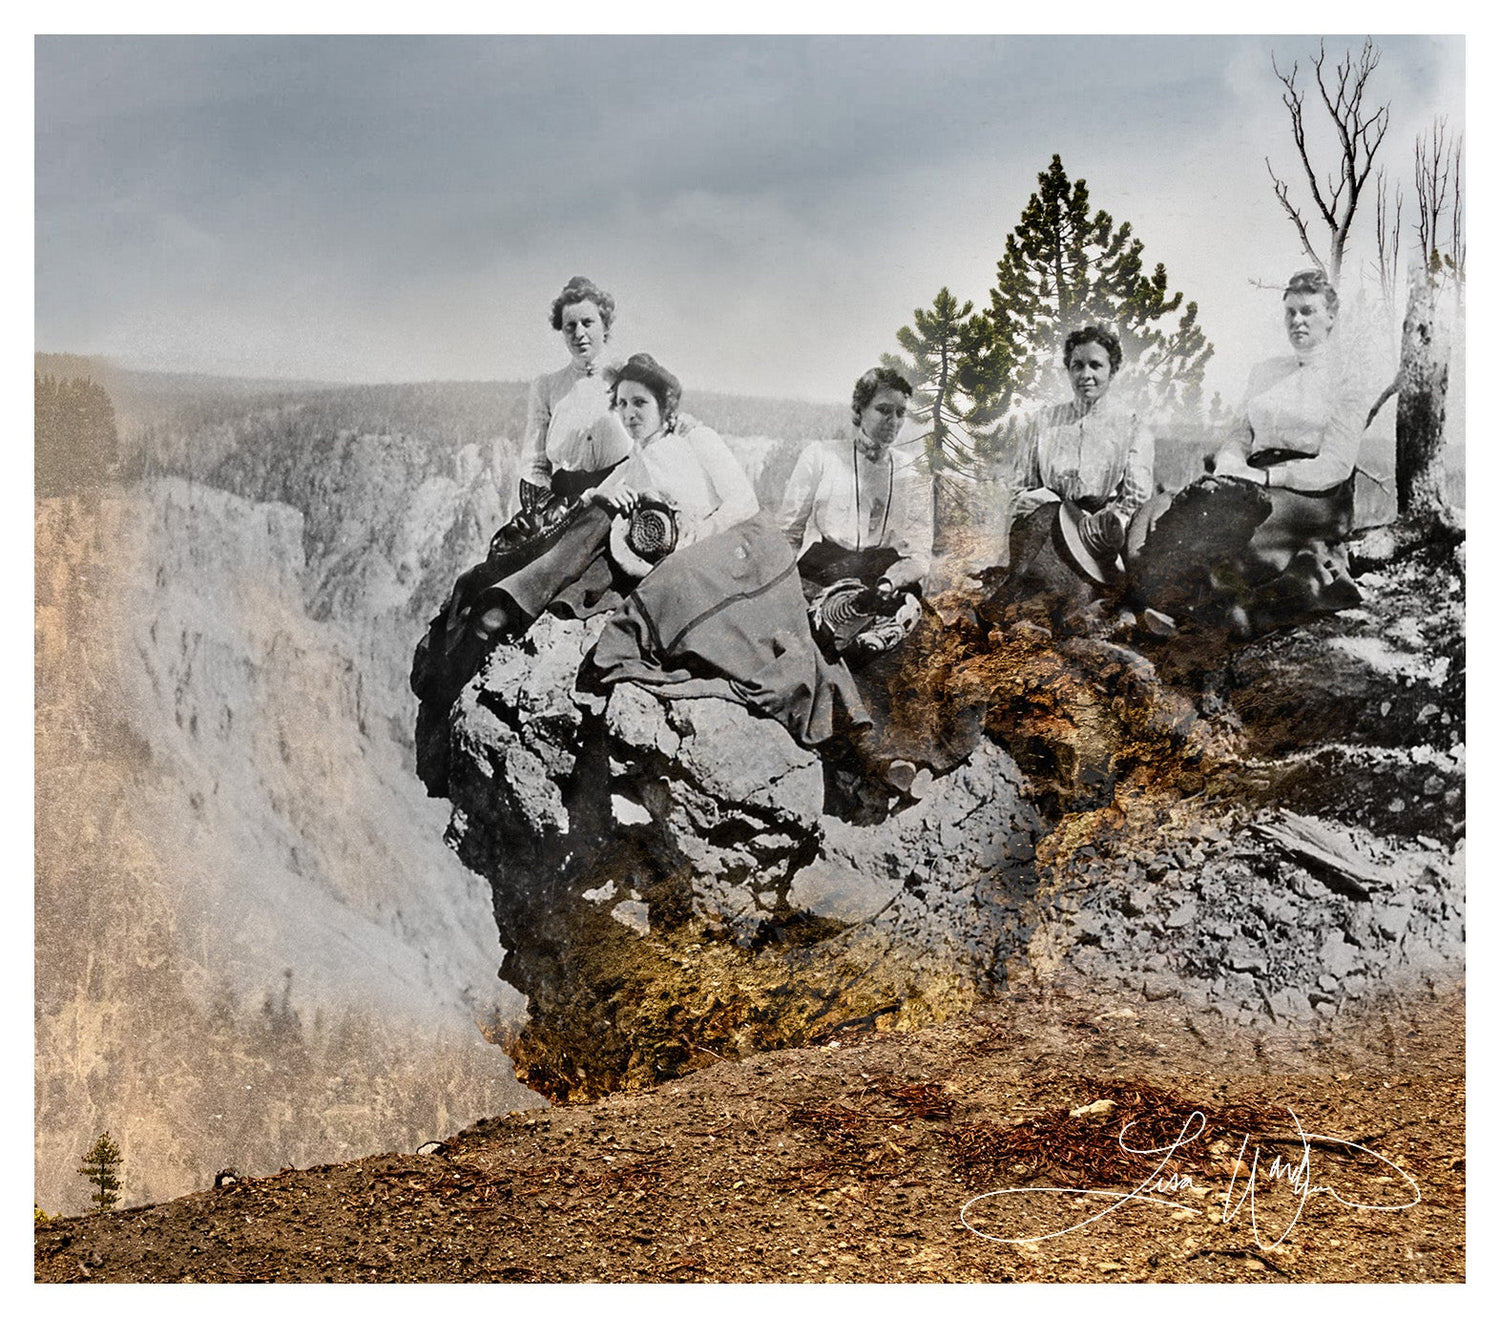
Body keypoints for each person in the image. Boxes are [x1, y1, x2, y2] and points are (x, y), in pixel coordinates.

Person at [1204, 267, 1365, 631]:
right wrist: (1230, 462)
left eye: (1307, 311)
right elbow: (1239, 433)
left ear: (1331, 317)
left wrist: (1265, 476)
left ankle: (1243, 612)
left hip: (1314, 494)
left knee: (1236, 529)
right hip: (1256, 480)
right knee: (1189, 513)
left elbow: (1336, 465)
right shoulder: (1265, 372)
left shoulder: (1347, 379)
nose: (1297, 321)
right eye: (1290, 312)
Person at [987, 325, 1156, 627]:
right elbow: (1021, 487)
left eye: (1096, 365)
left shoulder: (1131, 425)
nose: (1085, 375)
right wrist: (1049, 504)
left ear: (1112, 370)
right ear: (1067, 369)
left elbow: (1136, 497)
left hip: (1099, 538)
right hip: (1047, 527)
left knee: (1073, 609)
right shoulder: (1045, 421)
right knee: (1027, 588)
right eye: (1077, 365)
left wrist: (1098, 529)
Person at [778, 366, 933, 649]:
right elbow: (788, 533)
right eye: (883, 409)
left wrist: (888, 582)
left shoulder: (913, 474)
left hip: (884, 571)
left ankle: (876, 637)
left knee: (903, 615)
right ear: (859, 409)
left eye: (901, 413)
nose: (893, 421)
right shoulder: (821, 456)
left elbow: (920, 555)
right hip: (824, 566)